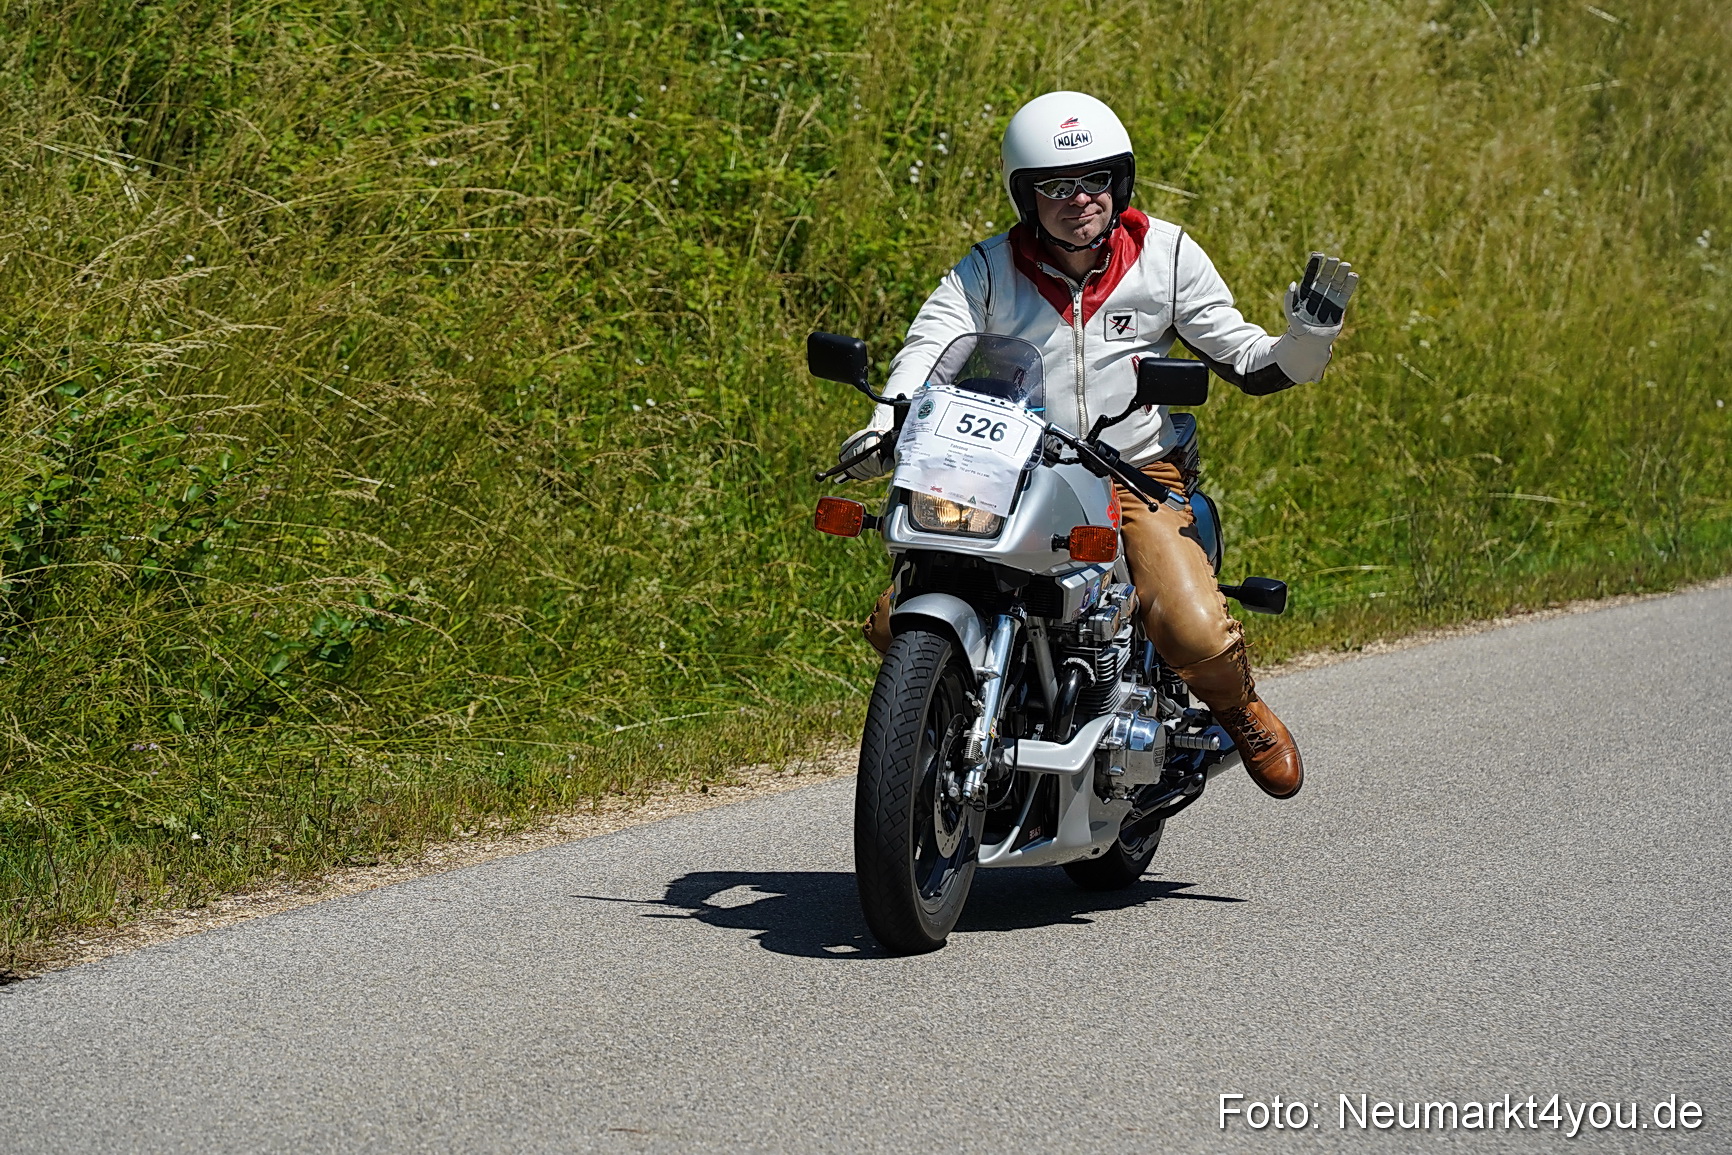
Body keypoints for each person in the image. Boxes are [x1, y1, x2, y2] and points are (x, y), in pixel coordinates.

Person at [836, 91, 1359, 800]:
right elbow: (926, 351)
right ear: (1026, 196)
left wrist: (1305, 341)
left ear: (1121, 181)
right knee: (895, 619)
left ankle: (1239, 709)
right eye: (1054, 185)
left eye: (1095, 179)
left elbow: (1246, 361)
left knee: (1193, 629)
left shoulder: (1166, 256)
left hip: (1132, 473)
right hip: (1011, 471)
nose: (1079, 198)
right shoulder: (986, 271)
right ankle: (958, 719)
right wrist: (884, 423)